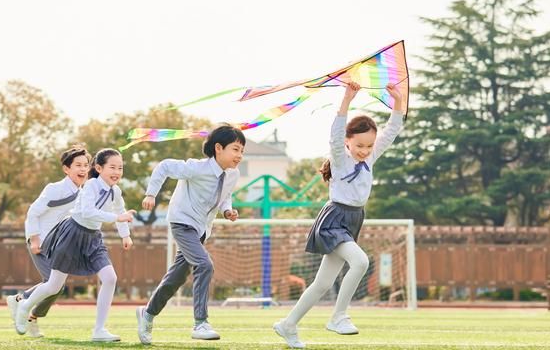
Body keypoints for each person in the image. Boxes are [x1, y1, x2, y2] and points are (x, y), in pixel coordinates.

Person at [274, 82, 404, 348]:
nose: (365, 150)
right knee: (360, 262)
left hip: (353, 219)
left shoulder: (369, 159)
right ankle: (339, 315)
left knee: (322, 283)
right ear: (348, 142)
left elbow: (391, 131)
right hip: (334, 220)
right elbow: (335, 132)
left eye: (369, 146)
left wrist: (398, 103)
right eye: (360, 145)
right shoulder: (340, 157)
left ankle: (288, 325)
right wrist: (347, 98)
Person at [135, 124, 245, 344]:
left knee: (175, 279)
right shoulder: (197, 168)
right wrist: (151, 194)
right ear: (218, 148)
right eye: (235, 149)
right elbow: (164, 166)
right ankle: (200, 323)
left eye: (242, 151)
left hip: (201, 230)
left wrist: (227, 210)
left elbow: (225, 194)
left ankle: (147, 314)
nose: (239, 155)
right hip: (182, 222)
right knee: (205, 264)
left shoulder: (233, 174)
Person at [14, 148, 135, 342]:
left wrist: (125, 235)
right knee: (54, 285)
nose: (117, 172)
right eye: (112, 167)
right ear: (98, 168)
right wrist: (116, 218)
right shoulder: (91, 186)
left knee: (110, 278)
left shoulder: (116, 191)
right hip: (72, 234)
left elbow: (121, 210)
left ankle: (99, 330)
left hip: (93, 238)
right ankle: (25, 305)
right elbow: (88, 212)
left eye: (120, 168)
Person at [6, 145, 91, 337]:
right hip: (41, 242)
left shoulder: (84, 192)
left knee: (53, 286)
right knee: (55, 285)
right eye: (78, 165)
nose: (83, 169)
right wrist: (34, 239)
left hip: (58, 245)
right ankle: (26, 309)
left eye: (86, 165)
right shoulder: (55, 189)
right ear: (66, 169)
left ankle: (21, 302)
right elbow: (33, 212)